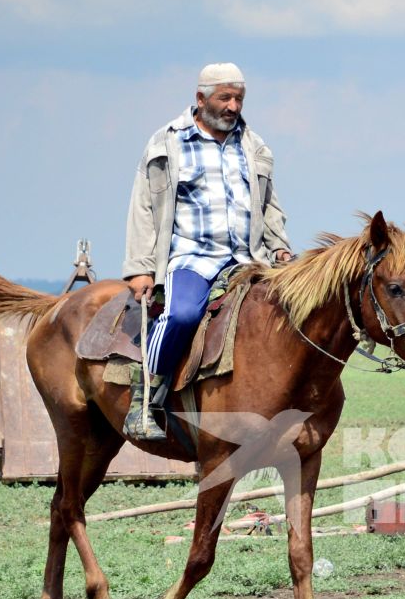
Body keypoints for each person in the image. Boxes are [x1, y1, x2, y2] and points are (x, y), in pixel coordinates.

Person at [122, 62, 293, 439]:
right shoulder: (166, 143)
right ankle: (146, 396)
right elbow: (143, 207)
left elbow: (269, 205)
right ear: (200, 99)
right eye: (225, 98)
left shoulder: (254, 145)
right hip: (192, 258)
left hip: (248, 260)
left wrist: (280, 249)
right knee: (182, 316)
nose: (233, 106)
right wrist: (140, 267)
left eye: (239, 98)